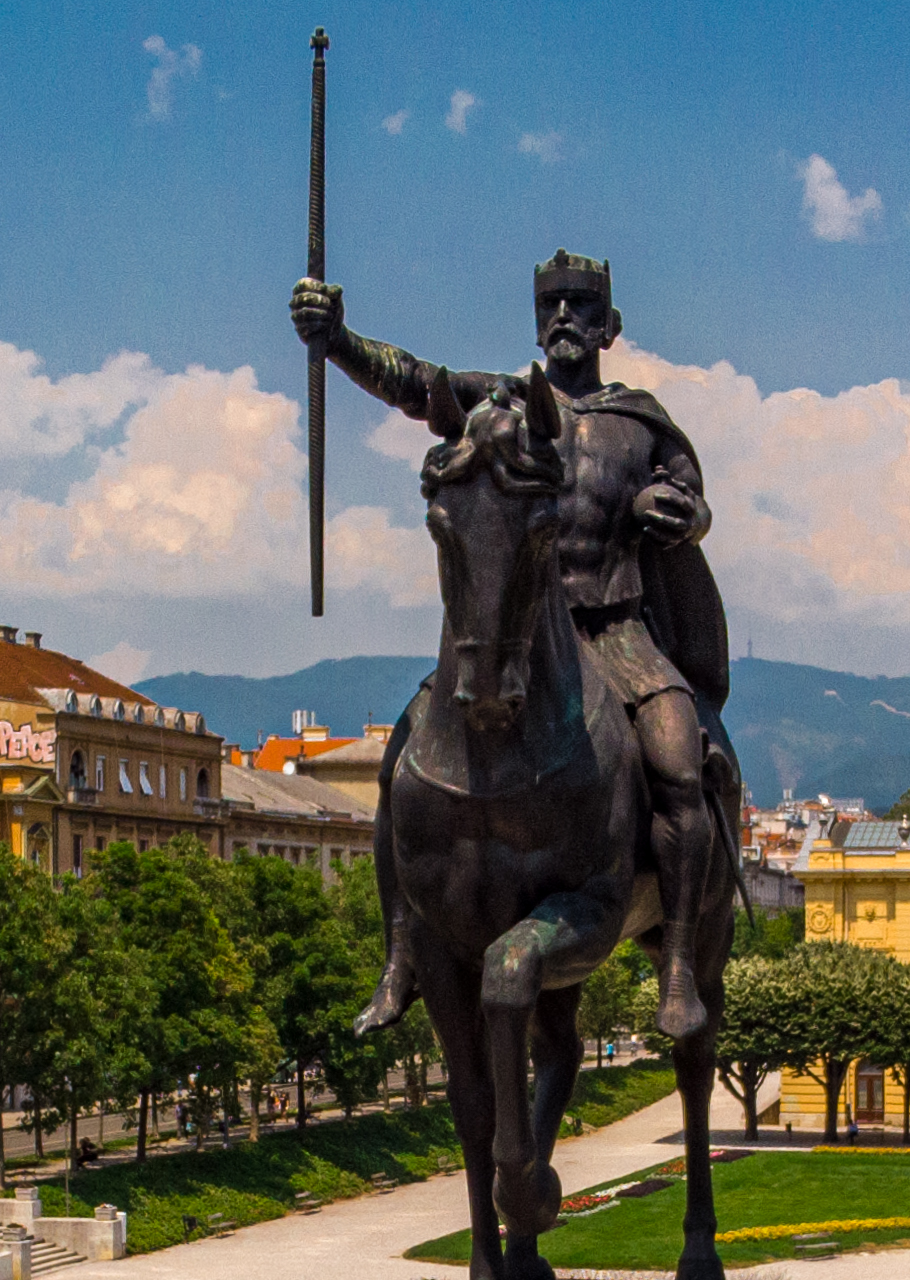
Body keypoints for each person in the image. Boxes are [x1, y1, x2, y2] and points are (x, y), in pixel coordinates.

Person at [293, 249, 737, 1041]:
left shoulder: (641, 421)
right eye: (551, 306)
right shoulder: (492, 404)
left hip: (613, 628)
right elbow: (412, 383)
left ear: (608, 325)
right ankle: (400, 956)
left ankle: (675, 967)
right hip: (512, 637)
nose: (564, 318)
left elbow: (695, 503)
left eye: (580, 305)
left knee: (679, 762)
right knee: (400, 762)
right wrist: (337, 336)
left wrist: (675, 508)